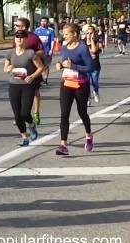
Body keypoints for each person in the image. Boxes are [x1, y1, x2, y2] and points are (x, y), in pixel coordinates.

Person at [55, 23, 94, 155]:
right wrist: (60, 65)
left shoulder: (82, 48)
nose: (64, 37)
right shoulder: (64, 47)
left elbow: (90, 68)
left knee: (82, 112)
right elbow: (65, 61)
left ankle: (88, 134)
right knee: (64, 113)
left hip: (81, 84)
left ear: (75, 34)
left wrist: (74, 66)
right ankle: (63, 145)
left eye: (67, 34)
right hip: (67, 83)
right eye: (63, 34)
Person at [4, 30, 43, 147]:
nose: (19, 39)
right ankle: (24, 137)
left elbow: (40, 68)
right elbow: (5, 69)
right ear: (14, 39)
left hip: (27, 86)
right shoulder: (10, 53)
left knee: (25, 113)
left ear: (26, 39)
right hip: (14, 85)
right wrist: (8, 69)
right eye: (17, 37)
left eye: (21, 37)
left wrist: (32, 76)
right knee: (17, 115)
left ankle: (31, 125)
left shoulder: (30, 53)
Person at [12, 18, 44, 125]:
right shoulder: (16, 38)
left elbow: (42, 52)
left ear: (24, 27)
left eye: (17, 25)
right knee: (20, 92)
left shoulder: (33, 38)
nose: (15, 26)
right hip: (20, 70)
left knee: (34, 91)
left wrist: (31, 55)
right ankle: (20, 115)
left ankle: (36, 112)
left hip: (33, 69)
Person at [34, 17, 56, 86]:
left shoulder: (50, 30)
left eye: (45, 21)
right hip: (38, 52)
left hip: (46, 51)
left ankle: (45, 78)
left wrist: (51, 50)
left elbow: (53, 40)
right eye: (42, 21)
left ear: (47, 22)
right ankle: (38, 78)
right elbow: (34, 40)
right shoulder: (37, 30)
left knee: (46, 66)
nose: (43, 23)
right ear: (40, 22)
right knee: (38, 65)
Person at [85, 26, 101, 105]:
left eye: (91, 33)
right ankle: (87, 98)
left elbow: (94, 50)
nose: (89, 34)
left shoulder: (97, 41)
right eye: (87, 33)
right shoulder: (82, 42)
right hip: (86, 67)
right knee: (86, 83)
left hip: (95, 66)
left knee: (95, 83)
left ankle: (96, 92)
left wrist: (91, 40)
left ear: (94, 33)